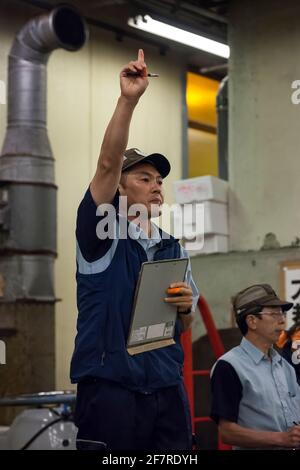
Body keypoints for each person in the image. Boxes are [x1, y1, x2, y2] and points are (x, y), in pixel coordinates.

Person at [70, 49, 199, 451]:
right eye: (144, 177)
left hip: (165, 387)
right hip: (112, 390)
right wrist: (129, 99)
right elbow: (108, 164)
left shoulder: (172, 247)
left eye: (159, 179)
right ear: (121, 188)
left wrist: (184, 306)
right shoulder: (100, 236)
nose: (156, 184)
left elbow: (186, 323)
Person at [210, 283, 300, 450]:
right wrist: (282, 439)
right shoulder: (229, 366)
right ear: (251, 321)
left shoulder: (285, 366)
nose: (282, 320)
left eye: (282, 313)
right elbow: (227, 432)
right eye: (274, 313)